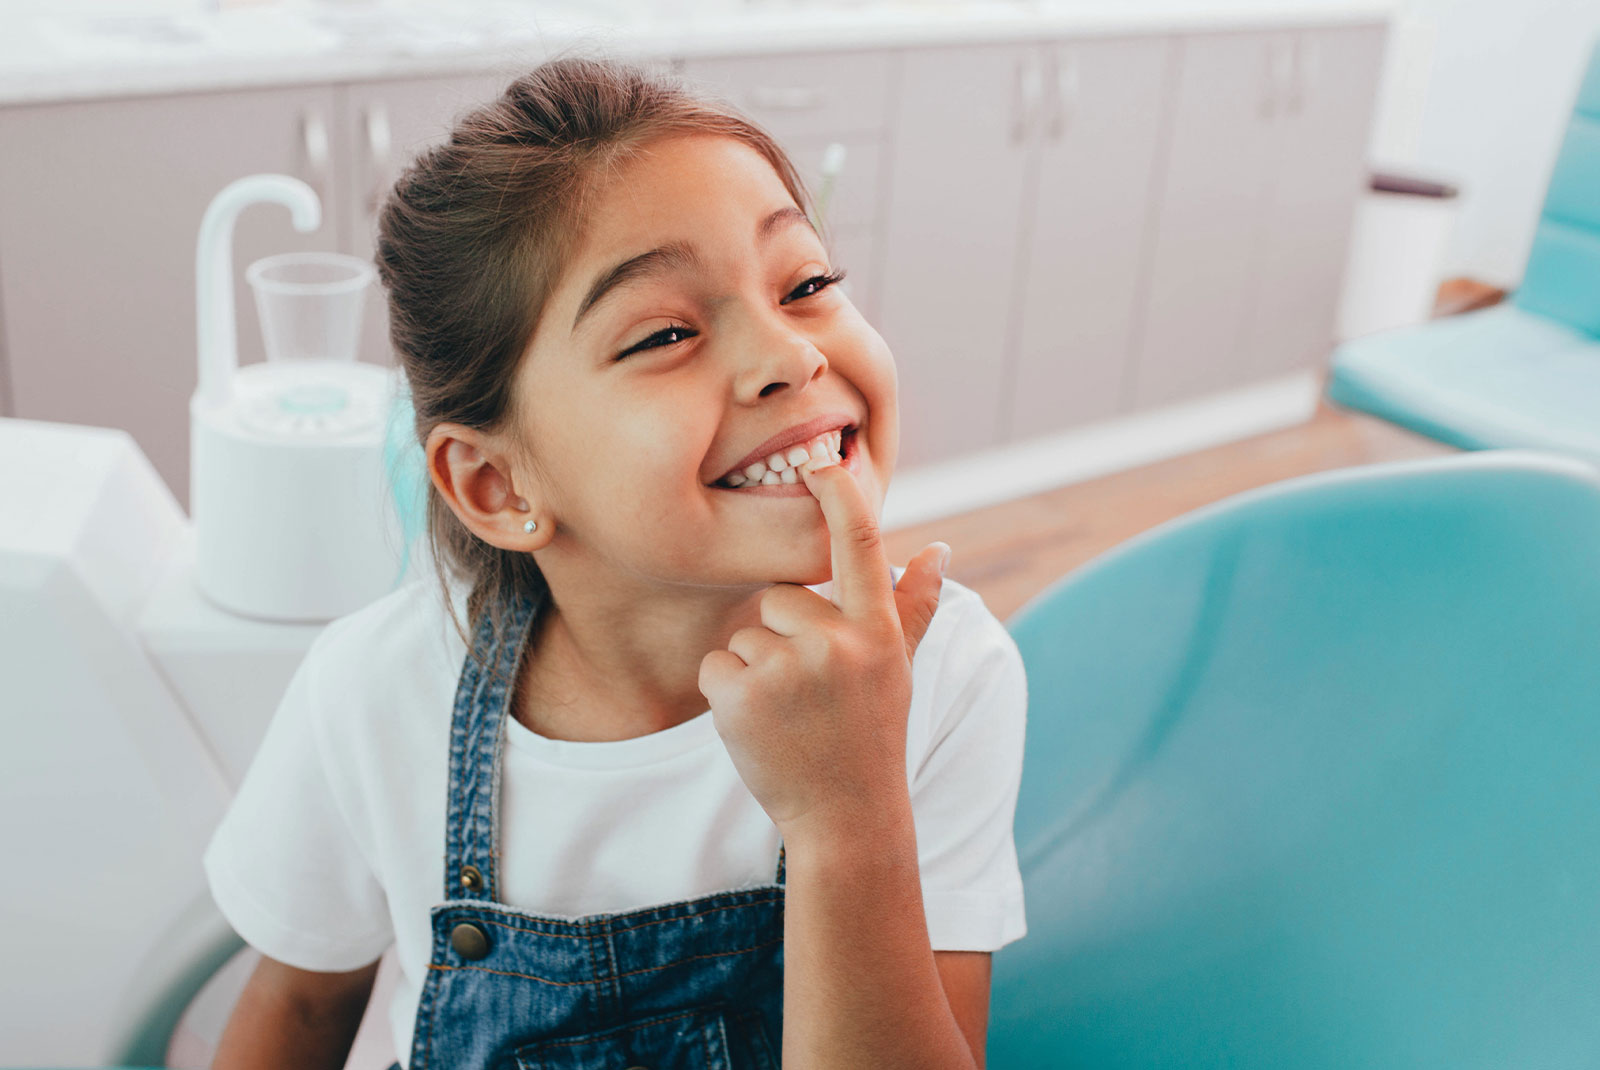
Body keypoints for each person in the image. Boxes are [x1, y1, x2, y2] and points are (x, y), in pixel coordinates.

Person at [203, 52, 1028, 1070]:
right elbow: (291, 1012)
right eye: (668, 332)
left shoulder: (944, 672)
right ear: (499, 487)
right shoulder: (371, 691)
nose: (792, 355)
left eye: (806, 282)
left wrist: (847, 814)